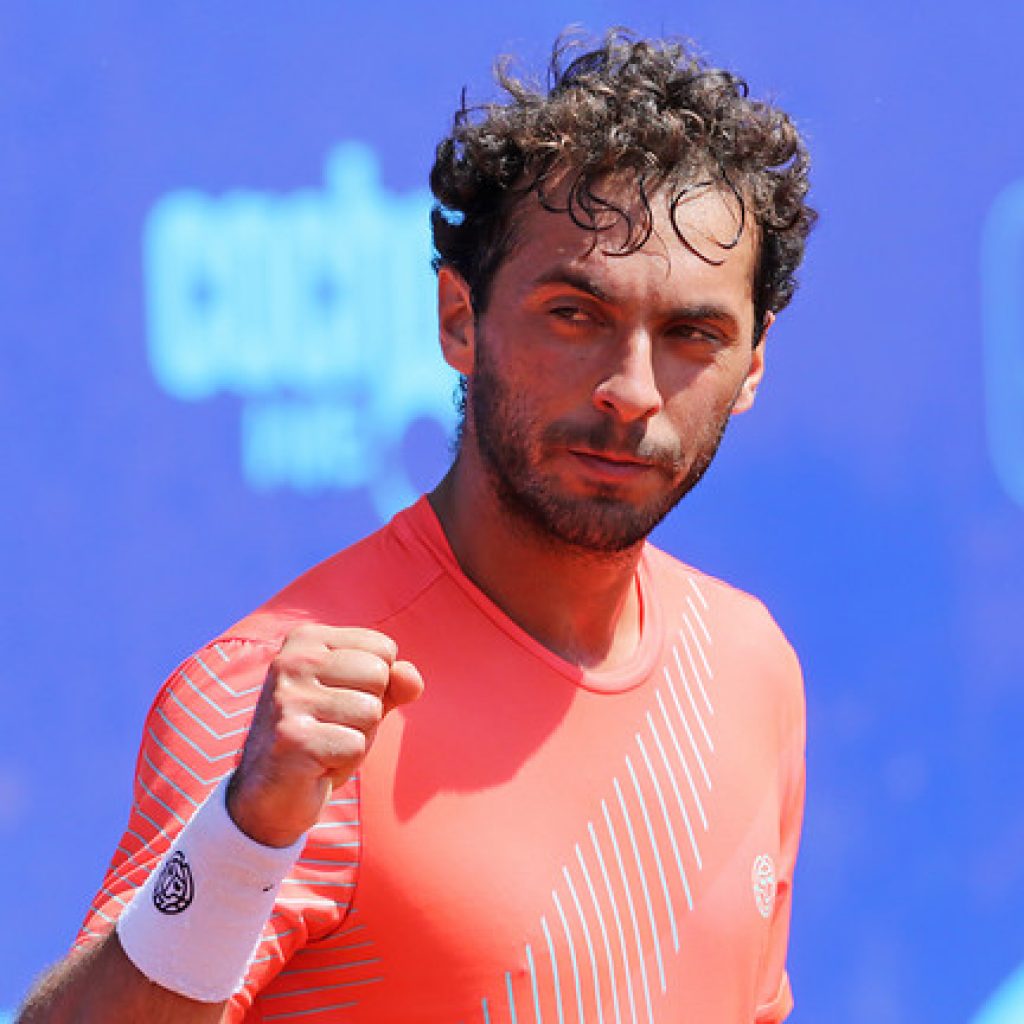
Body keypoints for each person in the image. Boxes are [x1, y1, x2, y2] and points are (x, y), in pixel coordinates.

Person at [18, 28, 815, 1024]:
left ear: (753, 364)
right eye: (574, 314)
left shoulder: (751, 669)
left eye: (692, 334)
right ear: (457, 318)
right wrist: (243, 834)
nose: (630, 390)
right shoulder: (270, 701)